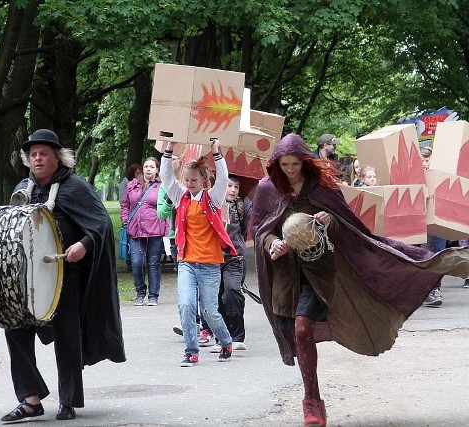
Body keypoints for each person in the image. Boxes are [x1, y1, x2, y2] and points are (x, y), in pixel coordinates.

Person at [251, 133, 469, 427]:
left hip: (320, 271)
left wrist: (330, 221)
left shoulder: (322, 187)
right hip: (286, 276)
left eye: (295, 164)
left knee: (303, 328)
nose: (290, 169)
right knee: (294, 332)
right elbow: (260, 228)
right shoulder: (268, 188)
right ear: (277, 164)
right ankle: (311, 395)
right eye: (285, 164)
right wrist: (271, 243)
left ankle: (312, 403)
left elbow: (350, 228)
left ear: (305, 161)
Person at [0, 129, 126, 422]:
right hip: (26, 279)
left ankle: (67, 400)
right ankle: (30, 400)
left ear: (57, 158)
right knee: (14, 329)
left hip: (64, 277)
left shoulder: (75, 188)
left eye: (43, 153)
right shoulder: (22, 188)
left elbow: (102, 225)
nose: (37, 158)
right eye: (33, 154)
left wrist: (84, 244)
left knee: (67, 338)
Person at [161, 138, 235, 367]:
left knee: (210, 312)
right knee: (186, 305)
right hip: (187, 262)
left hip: (211, 264)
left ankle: (225, 341)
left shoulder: (213, 198)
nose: (190, 183)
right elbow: (166, 178)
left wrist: (217, 153)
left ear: (204, 179)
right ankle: (191, 351)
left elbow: (223, 178)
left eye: (194, 180)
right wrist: (169, 148)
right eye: (187, 180)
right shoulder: (180, 197)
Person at [209, 175, 252, 353]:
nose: (233, 190)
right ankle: (221, 338)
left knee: (232, 292)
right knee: (217, 297)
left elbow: (248, 225)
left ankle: (237, 336)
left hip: (234, 257)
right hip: (213, 257)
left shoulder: (243, 205)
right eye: (229, 186)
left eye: (236, 187)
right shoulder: (212, 202)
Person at [121, 157, 168, 306]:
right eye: (146, 166)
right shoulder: (132, 185)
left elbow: (166, 210)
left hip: (155, 230)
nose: (148, 169)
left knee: (153, 263)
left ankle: (153, 296)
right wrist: (125, 219)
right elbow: (125, 204)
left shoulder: (162, 186)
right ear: (143, 168)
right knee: (136, 262)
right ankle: (140, 293)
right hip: (136, 229)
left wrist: (166, 230)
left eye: (152, 167)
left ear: (157, 170)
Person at [419, 145, 445, 306]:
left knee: (440, 255)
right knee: (427, 255)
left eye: (427, 160)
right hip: (422, 222)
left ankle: (435, 289)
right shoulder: (414, 176)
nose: (425, 163)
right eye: (422, 160)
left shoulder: (437, 174)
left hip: (438, 221)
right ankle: (429, 289)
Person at [119, 164, 142, 271]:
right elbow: (123, 202)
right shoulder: (125, 183)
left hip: (138, 218)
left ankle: (134, 262)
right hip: (129, 217)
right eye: (136, 173)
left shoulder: (142, 183)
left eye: (139, 173)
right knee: (127, 240)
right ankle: (129, 262)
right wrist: (125, 218)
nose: (138, 175)